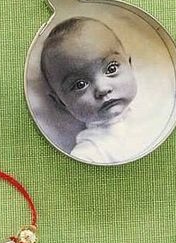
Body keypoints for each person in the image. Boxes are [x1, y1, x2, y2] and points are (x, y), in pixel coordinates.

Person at [40, 17, 143, 164]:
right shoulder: (89, 154)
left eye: (111, 69)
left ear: (130, 65)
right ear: (61, 103)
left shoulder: (161, 106)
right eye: (80, 84)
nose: (102, 89)